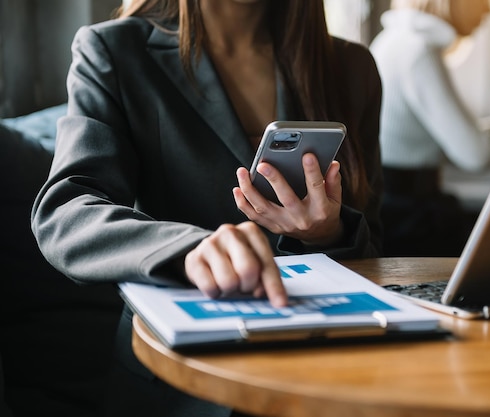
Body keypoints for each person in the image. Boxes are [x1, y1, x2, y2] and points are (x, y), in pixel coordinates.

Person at [30, 1, 383, 416]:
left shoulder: (350, 66)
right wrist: (187, 249)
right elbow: (66, 211)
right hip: (178, 383)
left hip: (323, 374)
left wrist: (327, 234)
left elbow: (377, 244)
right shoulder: (112, 51)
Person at [369, 0, 490, 257]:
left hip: (396, 207)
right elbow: (475, 153)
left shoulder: (395, 40)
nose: (488, 11)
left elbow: (467, 135)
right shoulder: (418, 53)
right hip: (409, 220)